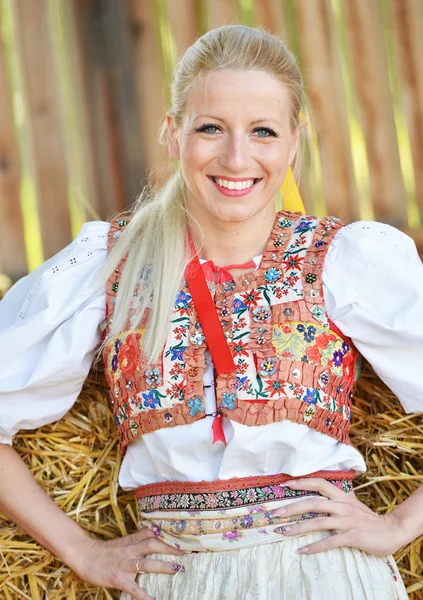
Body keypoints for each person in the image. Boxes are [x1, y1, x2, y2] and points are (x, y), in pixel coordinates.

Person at [0, 24, 422, 600]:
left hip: (321, 577)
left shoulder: (344, 260)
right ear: (173, 134)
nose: (237, 157)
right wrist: (81, 551)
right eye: (210, 129)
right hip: (175, 582)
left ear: (294, 141)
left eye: (263, 131)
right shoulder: (111, 264)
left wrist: (398, 526)